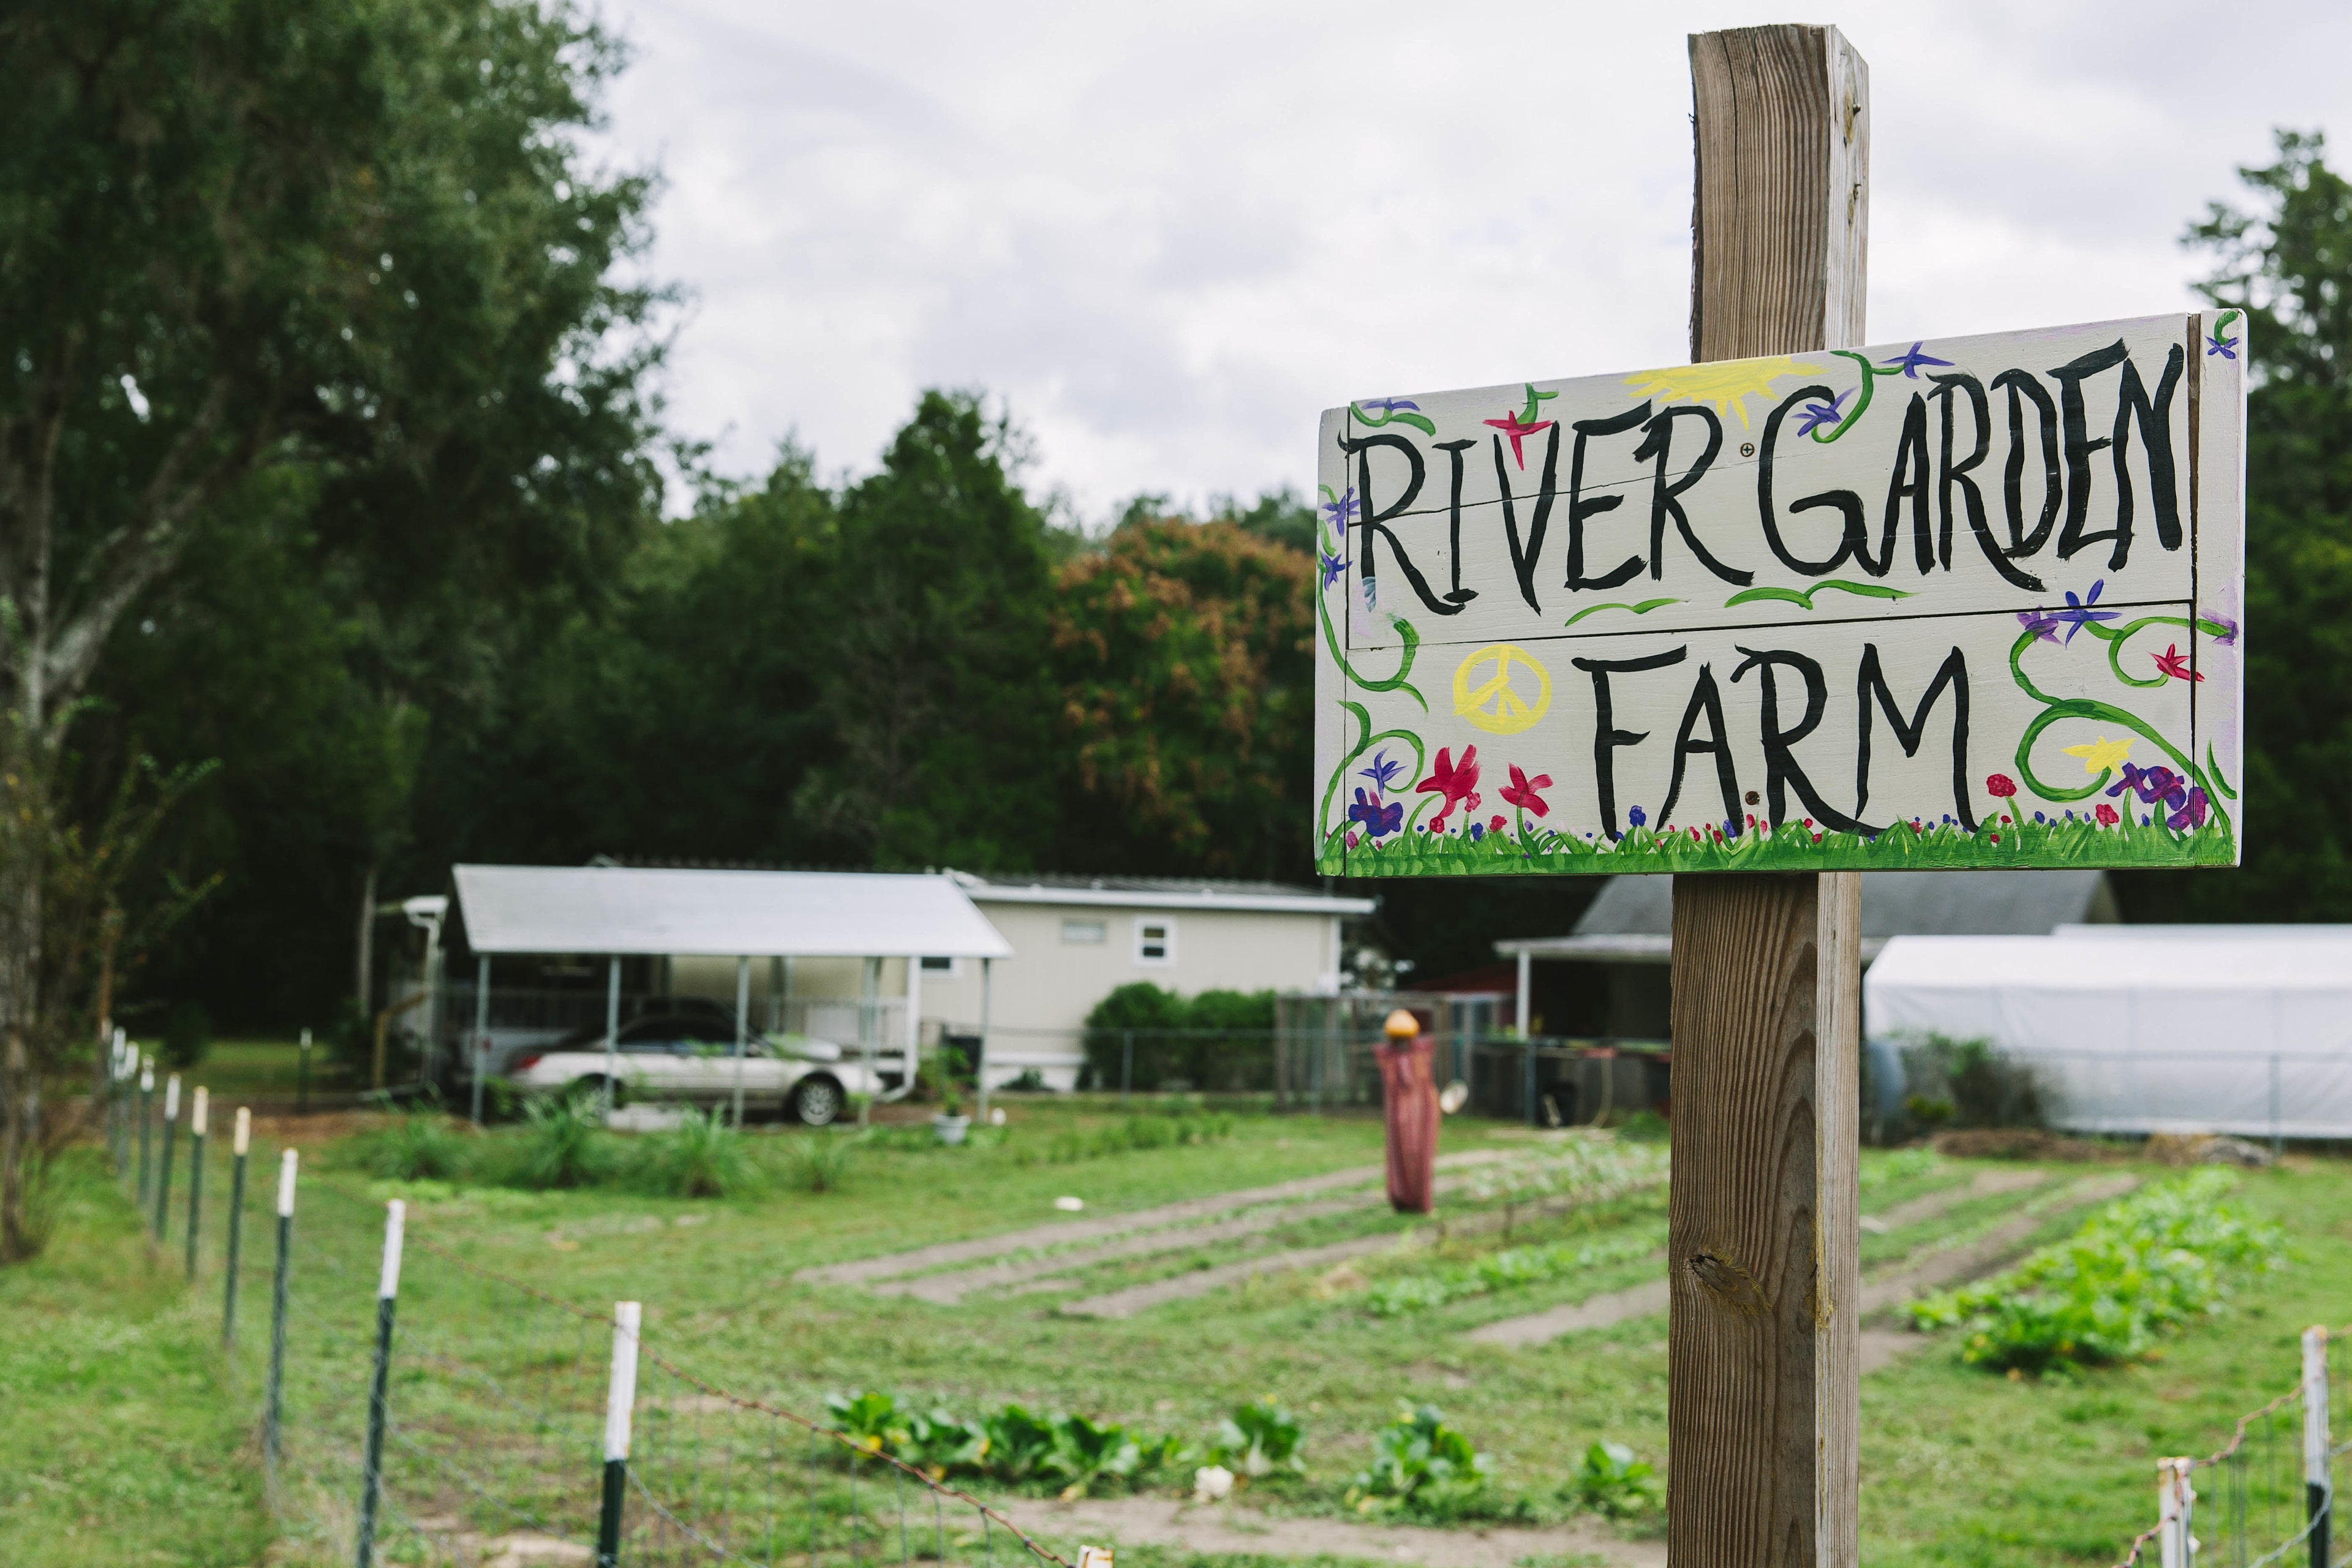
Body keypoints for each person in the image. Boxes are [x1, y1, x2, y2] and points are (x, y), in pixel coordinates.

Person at [1376, 1008, 1439, 1213]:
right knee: (1399, 1152)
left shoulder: (1420, 1055)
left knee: (1420, 1152)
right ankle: (1402, 1197)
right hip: (1399, 1116)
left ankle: (1419, 1199)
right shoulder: (1390, 1059)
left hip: (1421, 1114)